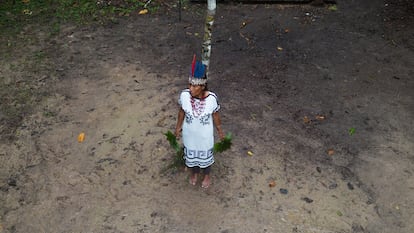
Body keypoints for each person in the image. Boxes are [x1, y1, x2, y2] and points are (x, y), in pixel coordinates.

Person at [175, 56, 224, 189]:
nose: (191, 88)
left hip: (204, 136)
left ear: (202, 87)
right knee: (192, 155)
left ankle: (207, 175)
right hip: (189, 134)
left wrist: (220, 130)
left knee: (205, 155)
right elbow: (181, 112)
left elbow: (215, 114)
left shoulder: (211, 99)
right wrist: (178, 128)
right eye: (190, 85)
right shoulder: (184, 96)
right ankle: (194, 173)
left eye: (195, 86)